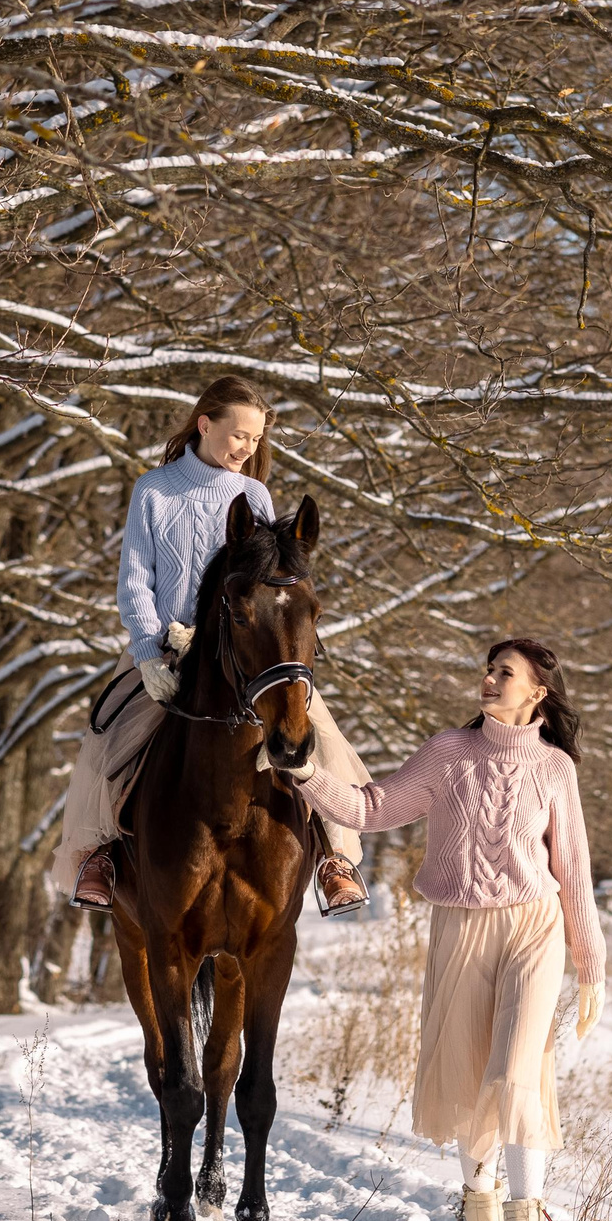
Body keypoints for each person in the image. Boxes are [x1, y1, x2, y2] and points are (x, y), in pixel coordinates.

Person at [287, 638, 604, 1221]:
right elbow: (370, 808)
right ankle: (479, 1208)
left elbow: (572, 866)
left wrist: (591, 964)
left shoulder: (553, 769)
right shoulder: (446, 754)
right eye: (489, 670)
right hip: (459, 927)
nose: (489, 680)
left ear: (537, 691)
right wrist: (304, 773)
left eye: (504, 673)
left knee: (517, 1067)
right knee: (465, 1070)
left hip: (533, 929)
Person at [50, 376, 371, 917]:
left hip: (240, 650)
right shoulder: (153, 489)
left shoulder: (256, 496)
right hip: (164, 646)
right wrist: (150, 654)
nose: (247, 448)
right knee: (109, 736)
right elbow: (135, 581)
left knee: (320, 731)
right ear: (205, 424)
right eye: (239, 435)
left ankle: (334, 858)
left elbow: (263, 588)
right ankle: (101, 855)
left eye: (255, 440)